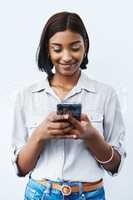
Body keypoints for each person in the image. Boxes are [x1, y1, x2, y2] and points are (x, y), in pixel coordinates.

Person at [11, 11, 126, 200]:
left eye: (75, 47)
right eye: (57, 49)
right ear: (47, 49)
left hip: (90, 195)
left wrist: (92, 137)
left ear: (85, 46)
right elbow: (21, 169)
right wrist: (40, 135)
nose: (66, 57)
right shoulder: (26, 96)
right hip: (39, 194)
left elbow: (115, 166)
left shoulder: (106, 95)